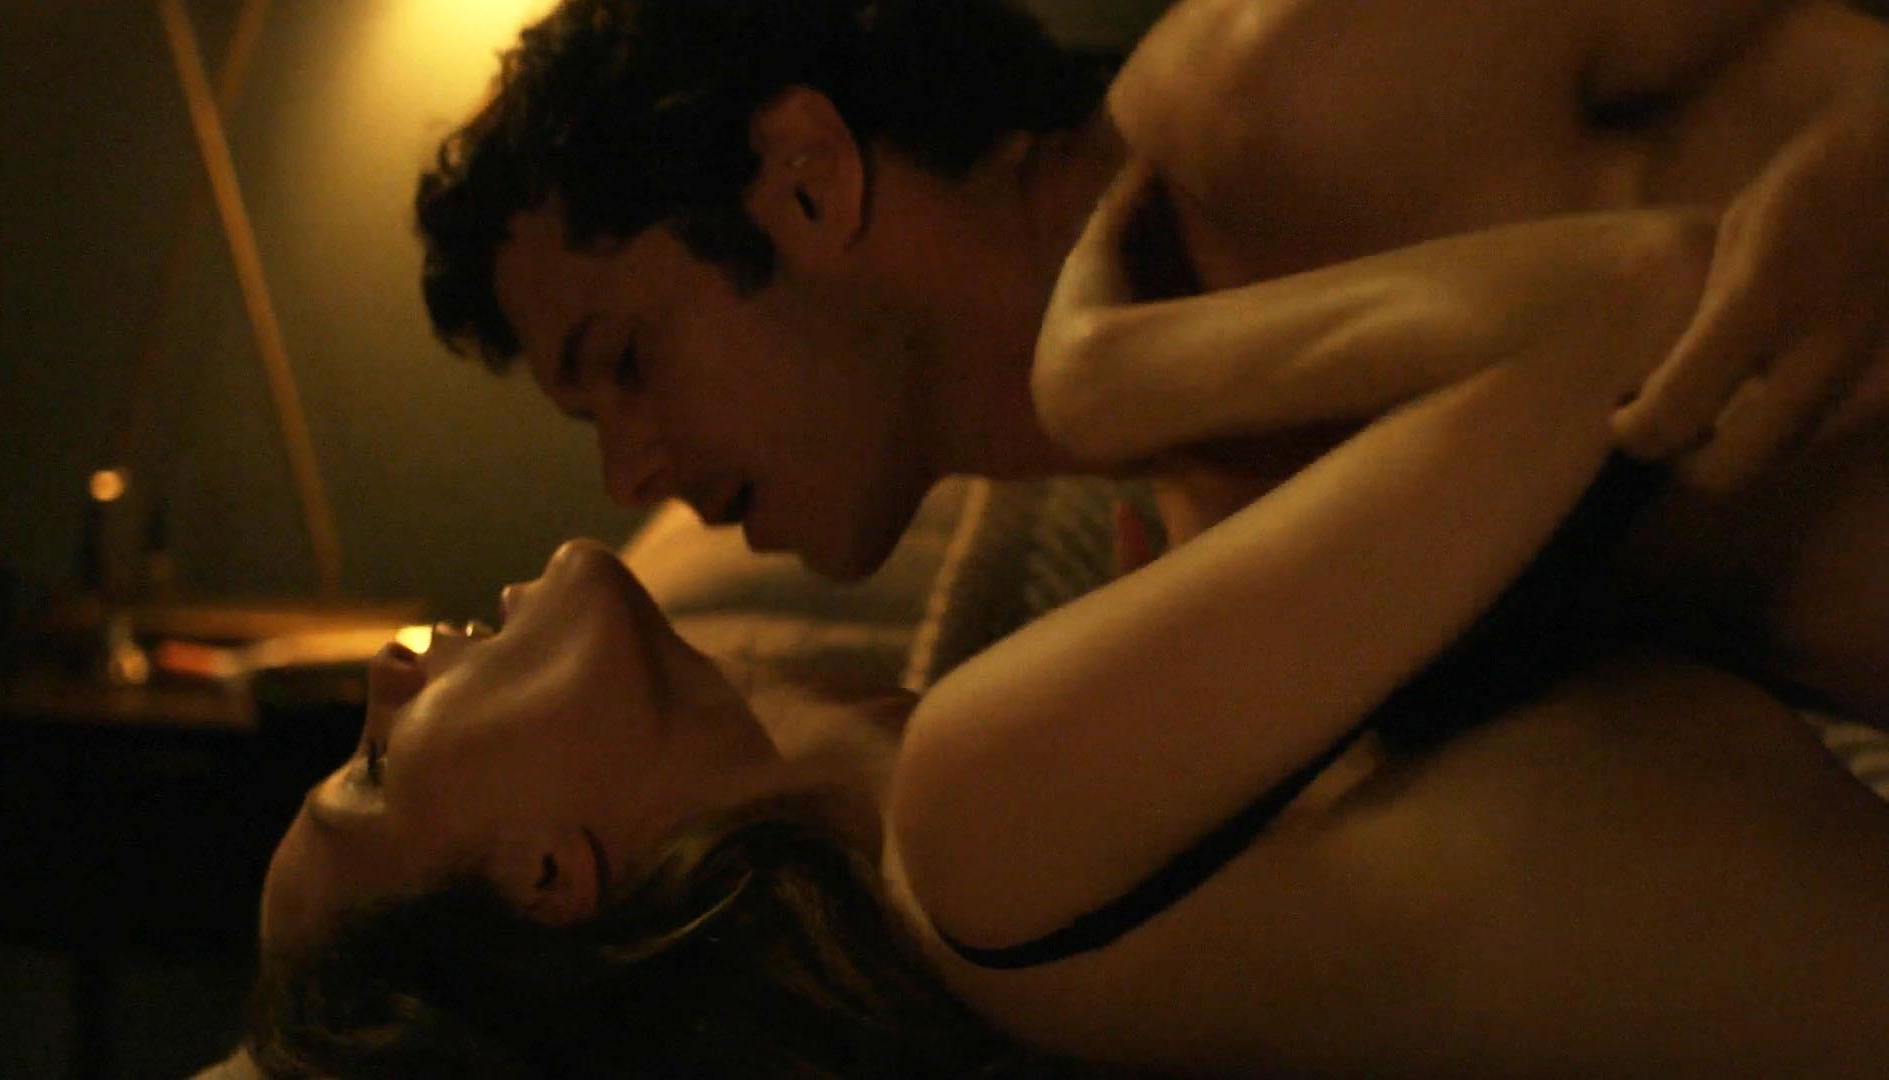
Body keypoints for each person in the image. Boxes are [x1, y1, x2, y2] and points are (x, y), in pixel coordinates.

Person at [248, 205, 1889, 1077]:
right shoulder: (975, 829)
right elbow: (1661, 305)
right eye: (374, 769)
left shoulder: (983, 835)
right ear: (549, 878)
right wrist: (1102, 375)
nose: (388, 671)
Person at [415, 0, 1889, 720]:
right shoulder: (1206, 570)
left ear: (804, 180)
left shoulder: (1276, 88)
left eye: (625, 361)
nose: (629, 472)